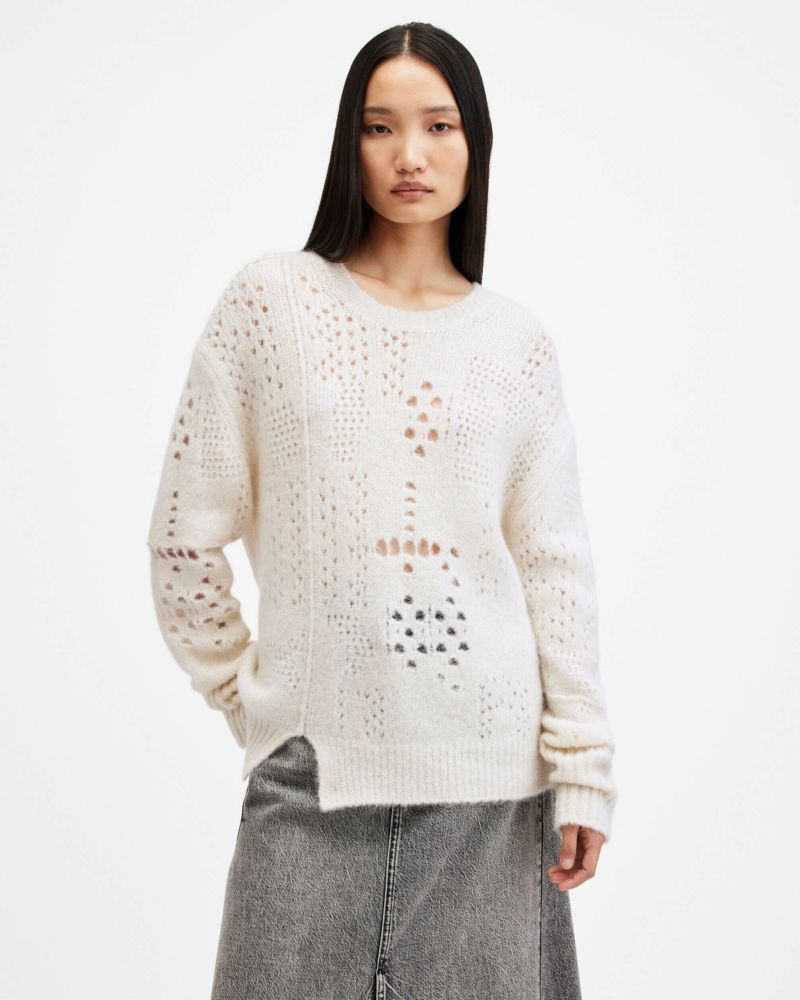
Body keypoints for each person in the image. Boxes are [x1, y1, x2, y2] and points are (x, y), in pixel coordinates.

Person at [146, 20, 617, 1000]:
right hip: (313, 776)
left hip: (493, 790)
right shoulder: (271, 304)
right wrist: (256, 702)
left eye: (439, 126)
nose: (410, 154)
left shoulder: (515, 343)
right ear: (347, 144)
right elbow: (182, 539)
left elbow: (553, 563)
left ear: (474, 143)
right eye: (379, 126)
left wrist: (582, 761)